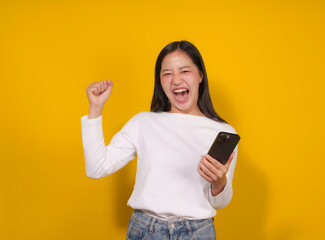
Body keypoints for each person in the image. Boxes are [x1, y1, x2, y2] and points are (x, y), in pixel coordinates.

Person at [81, 40, 238, 240]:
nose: (176, 80)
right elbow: (96, 168)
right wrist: (95, 108)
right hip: (145, 231)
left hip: (197, 233)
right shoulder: (143, 123)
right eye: (167, 73)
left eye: (184, 71)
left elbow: (220, 203)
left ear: (200, 75)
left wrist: (219, 183)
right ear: (160, 81)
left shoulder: (222, 132)